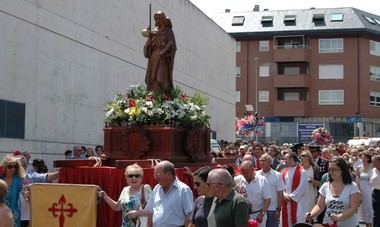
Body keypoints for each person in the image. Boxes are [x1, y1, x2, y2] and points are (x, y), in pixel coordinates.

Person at [305, 157, 361, 227]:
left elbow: (354, 208)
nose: (331, 172)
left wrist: (339, 217)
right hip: (328, 224)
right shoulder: (325, 186)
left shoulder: (352, 186)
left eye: (334, 169)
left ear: (342, 170)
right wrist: (311, 214)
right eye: (329, 169)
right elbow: (320, 206)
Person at [146, 160, 193, 227]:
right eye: (155, 174)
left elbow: (189, 215)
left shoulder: (183, 190)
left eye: (158, 174)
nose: (155, 177)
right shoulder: (157, 188)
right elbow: (150, 212)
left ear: (169, 174)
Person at [143, 11, 176, 96]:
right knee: (152, 80)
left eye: (159, 19)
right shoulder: (154, 32)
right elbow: (148, 47)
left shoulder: (169, 32)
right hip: (153, 58)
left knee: (161, 78)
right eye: (156, 19)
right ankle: (153, 97)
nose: (157, 21)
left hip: (163, 59)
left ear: (163, 19)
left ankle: (162, 98)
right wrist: (148, 43)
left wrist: (166, 52)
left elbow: (173, 47)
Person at [234, 161, 271, 227]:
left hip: (257, 215)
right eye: (243, 173)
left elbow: (267, 199)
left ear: (252, 170)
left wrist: (262, 214)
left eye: (246, 173)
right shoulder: (238, 179)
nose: (245, 175)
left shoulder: (262, 180)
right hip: (243, 215)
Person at [281, 152, 308, 227]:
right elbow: (281, 186)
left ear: (292, 159)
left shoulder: (302, 172)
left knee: (297, 221)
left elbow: (302, 187)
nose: (284, 161)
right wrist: (284, 194)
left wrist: (291, 197)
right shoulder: (284, 171)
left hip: (297, 202)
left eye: (285, 159)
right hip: (285, 202)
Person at [257, 154, 284, 227]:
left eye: (263, 161)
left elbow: (280, 193)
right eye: (260, 161)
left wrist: (278, 209)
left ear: (270, 162)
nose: (261, 162)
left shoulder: (277, 175)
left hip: (272, 209)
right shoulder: (256, 175)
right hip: (259, 209)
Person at [0, 154, 25, 227]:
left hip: (14, 215)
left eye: (15, 166)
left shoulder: (19, 180)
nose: (13, 169)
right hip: (1, 213)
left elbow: (25, 192)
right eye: (10, 167)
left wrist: (26, 193)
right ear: (5, 168)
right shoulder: (0, 180)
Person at [356, 151, 374, 227]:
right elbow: (357, 179)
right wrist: (358, 190)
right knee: (364, 208)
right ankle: (367, 224)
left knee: (370, 207)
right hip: (362, 190)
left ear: (368, 158)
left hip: (371, 189)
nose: (362, 159)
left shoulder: (373, 167)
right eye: (362, 157)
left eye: (364, 157)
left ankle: (371, 223)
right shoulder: (359, 168)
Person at [370, 155, 380, 227]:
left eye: (375, 162)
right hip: (376, 193)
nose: (373, 164)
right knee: (376, 213)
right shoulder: (373, 171)